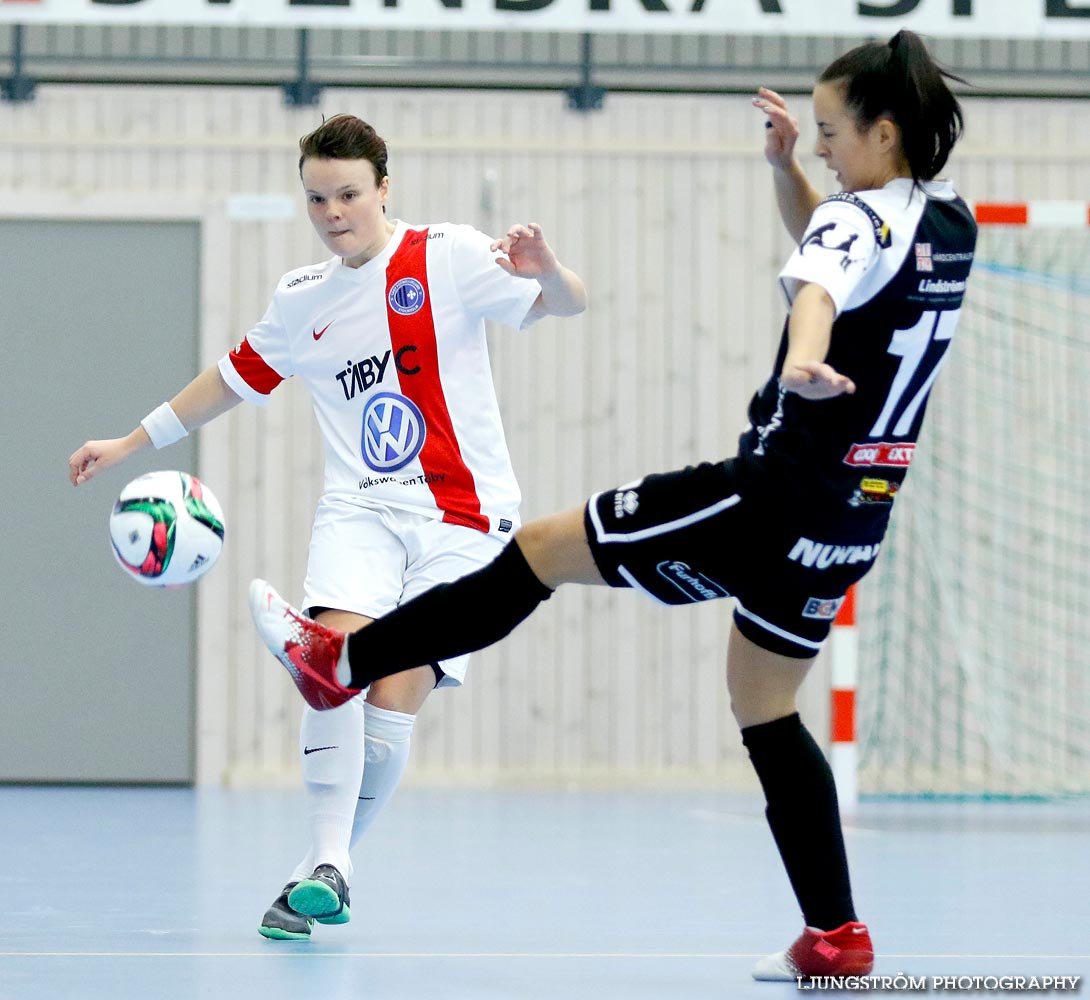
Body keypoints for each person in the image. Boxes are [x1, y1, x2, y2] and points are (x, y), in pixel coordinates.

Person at [250, 30, 974, 980]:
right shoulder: (947, 220)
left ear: (884, 131)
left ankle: (339, 656)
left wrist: (803, 353)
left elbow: (822, 280)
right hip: (853, 521)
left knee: (544, 546)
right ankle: (836, 934)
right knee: (765, 707)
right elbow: (846, 246)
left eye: (833, 132)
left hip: (768, 496)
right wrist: (786, 170)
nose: (825, 148)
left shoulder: (850, 226)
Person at [68, 114, 587, 940]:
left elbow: (566, 305)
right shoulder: (300, 298)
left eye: (349, 194)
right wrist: (131, 441)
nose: (334, 211)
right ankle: (328, 865)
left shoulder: (447, 255)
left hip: (465, 520)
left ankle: (323, 866)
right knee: (334, 669)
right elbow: (229, 380)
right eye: (317, 198)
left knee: (389, 698)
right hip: (361, 512)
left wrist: (550, 272)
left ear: (385, 189)